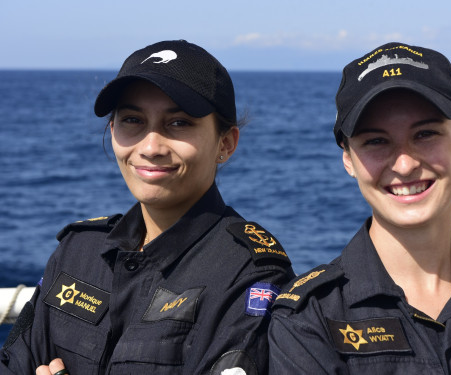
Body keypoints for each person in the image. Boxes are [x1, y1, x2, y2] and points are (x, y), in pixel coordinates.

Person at [0, 39, 295, 375]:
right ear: (112, 131)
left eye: (179, 122)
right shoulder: (77, 253)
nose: (151, 146)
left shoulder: (249, 276)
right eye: (132, 120)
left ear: (225, 143)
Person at [268, 42, 451, 374]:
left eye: (425, 134)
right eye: (376, 141)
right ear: (348, 159)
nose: (406, 163)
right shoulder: (309, 323)